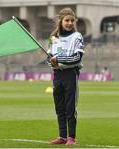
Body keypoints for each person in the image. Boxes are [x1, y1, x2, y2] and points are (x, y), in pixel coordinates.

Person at [47, 7, 84, 145]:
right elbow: (48, 58)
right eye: (66, 20)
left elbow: (77, 58)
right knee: (59, 107)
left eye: (71, 20)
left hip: (70, 74)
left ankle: (71, 137)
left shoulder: (77, 36)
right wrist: (52, 61)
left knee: (70, 107)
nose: (69, 23)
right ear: (60, 21)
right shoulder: (53, 38)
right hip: (57, 75)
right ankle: (62, 136)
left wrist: (59, 60)